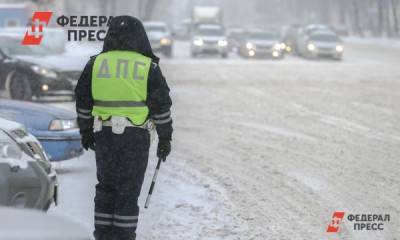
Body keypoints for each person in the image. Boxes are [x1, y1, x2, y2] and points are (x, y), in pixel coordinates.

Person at [75, 16, 173, 240]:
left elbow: (82, 100)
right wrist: (166, 138)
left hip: (105, 136)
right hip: (135, 138)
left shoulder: (96, 64)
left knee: (106, 188)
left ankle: (103, 235)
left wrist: (86, 131)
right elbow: (161, 107)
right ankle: (123, 236)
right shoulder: (148, 67)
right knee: (128, 190)